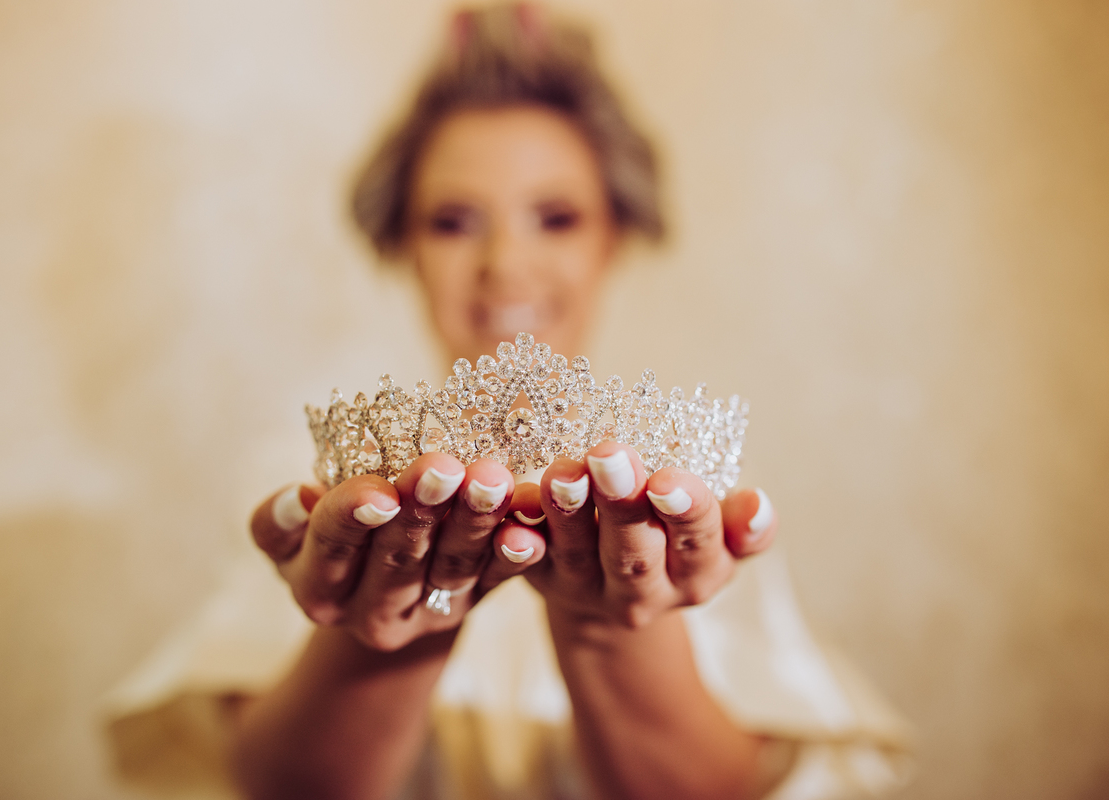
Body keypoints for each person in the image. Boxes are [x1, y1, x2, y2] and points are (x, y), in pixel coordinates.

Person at [104, 5, 912, 799]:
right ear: (403, 246)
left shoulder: (686, 502)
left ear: (614, 236)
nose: (506, 264)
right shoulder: (312, 482)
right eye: (453, 222)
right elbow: (279, 787)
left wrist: (606, 629)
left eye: (555, 218)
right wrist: (387, 630)